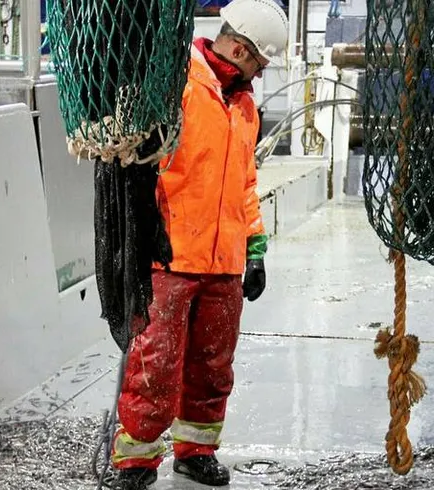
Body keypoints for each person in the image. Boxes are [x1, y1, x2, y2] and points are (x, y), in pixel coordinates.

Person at [109, 1, 289, 488]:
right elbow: (140, 167)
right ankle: (136, 461)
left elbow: (246, 183)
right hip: (171, 256)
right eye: (259, 62)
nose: (260, 72)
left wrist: (253, 248)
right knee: (155, 365)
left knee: (212, 367)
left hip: (225, 263)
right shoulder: (176, 85)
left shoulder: (245, 104)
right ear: (239, 47)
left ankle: (196, 451)